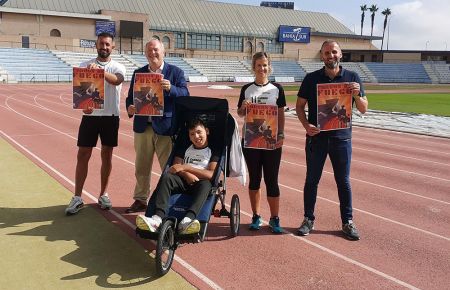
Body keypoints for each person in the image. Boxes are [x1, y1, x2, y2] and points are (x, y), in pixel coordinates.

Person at [295, 40, 368, 240]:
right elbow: (299, 106)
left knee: (343, 182)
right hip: (316, 139)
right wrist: (305, 125)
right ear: (322, 56)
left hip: (341, 139)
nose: (330, 56)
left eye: (334, 52)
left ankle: (348, 221)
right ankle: (308, 219)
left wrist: (357, 95)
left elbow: (363, 108)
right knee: (312, 181)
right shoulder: (311, 79)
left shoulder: (352, 78)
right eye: (327, 53)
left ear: (340, 54)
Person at [125, 38, 189, 213]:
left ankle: (168, 201)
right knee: (141, 167)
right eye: (149, 51)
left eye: (156, 50)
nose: (153, 53)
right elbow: (130, 98)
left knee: (167, 169)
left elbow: (185, 94)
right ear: (145, 54)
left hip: (166, 129)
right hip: (143, 127)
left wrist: (171, 88)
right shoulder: (139, 73)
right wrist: (130, 108)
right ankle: (140, 199)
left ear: (163, 52)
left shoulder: (175, 72)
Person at [65, 32, 126, 215]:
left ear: (113, 46)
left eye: (107, 44)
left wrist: (98, 72)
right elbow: (83, 95)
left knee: (107, 155)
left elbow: (117, 81)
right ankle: (77, 197)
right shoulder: (84, 66)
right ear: (96, 45)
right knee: (83, 154)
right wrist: (85, 107)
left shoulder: (118, 66)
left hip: (110, 117)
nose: (104, 47)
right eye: (101, 44)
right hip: (90, 117)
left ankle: (103, 194)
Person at [136, 118, 219, 234]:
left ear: (207, 131)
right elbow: (175, 167)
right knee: (166, 177)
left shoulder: (213, 150)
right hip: (183, 180)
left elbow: (210, 174)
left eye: (199, 132)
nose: (196, 136)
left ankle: (188, 220)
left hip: (200, 183)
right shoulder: (185, 148)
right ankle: (157, 219)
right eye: (192, 134)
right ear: (189, 137)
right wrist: (186, 174)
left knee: (206, 184)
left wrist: (186, 167)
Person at [237, 52, 286, 234]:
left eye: (265, 65)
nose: (262, 68)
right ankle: (256, 216)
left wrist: (281, 134)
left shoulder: (277, 89)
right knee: (255, 179)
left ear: (269, 66)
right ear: (254, 67)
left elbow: (280, 114)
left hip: (271, 141)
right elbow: (241, 114)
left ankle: (274, 219)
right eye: (259, 65)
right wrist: (243, 107)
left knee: (272, 180)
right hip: (250, 141)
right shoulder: (247, 89)